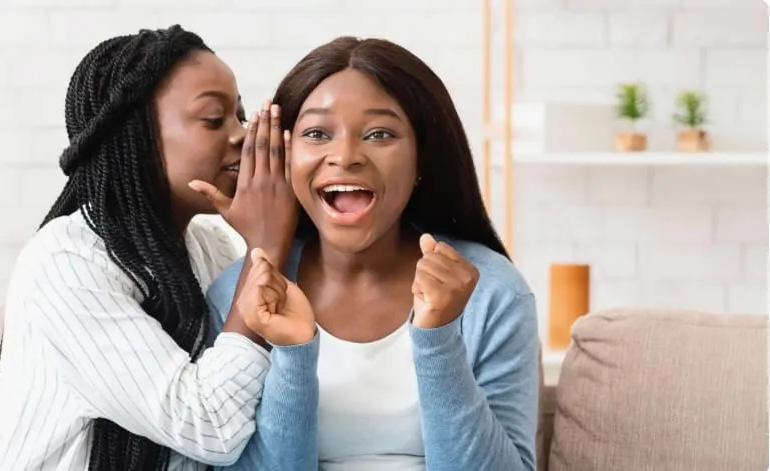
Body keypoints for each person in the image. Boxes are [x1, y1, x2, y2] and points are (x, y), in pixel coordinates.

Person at [0, 25, 314, 471]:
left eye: (241, 116)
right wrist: (265, 246)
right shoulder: (66, 261)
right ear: (138, 135)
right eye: (213, 119)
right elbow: (209, 427)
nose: (243, 135)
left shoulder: (208, 248)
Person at [207, 36, 540, 471]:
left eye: (379, 134)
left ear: (422, 158)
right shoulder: (241, 294)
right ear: (284, 156)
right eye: (316, 133)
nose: (345, 156)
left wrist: (440, 342)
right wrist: (292, 355)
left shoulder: (491, 291)